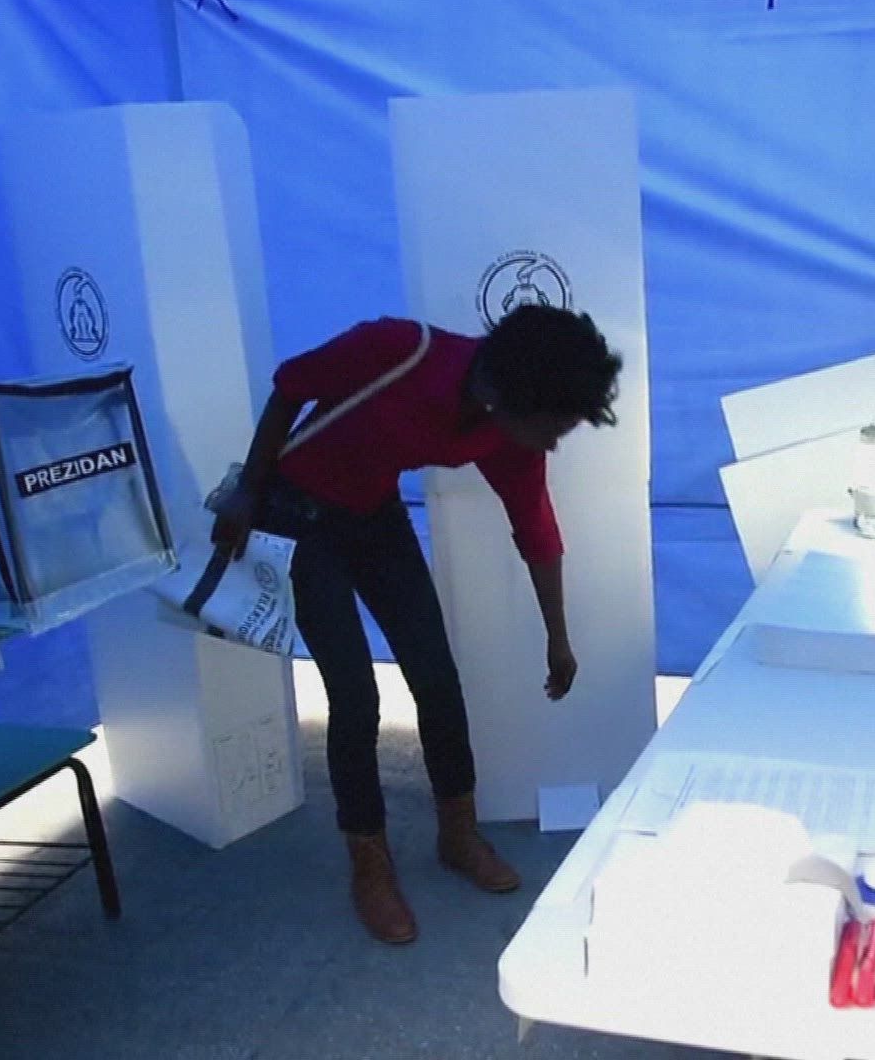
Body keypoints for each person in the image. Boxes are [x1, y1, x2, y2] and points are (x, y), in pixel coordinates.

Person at [211, 305, 622, 944]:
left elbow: (536, 529)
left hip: (375, 516)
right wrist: (248, 490)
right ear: (504, 392)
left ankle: (458, 835)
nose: (551, 444)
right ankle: (369, 862)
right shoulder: (397, 349)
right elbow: (291, 385)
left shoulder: (506, 431)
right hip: (300, 517)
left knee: (436, 677)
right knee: (355, 696)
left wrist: (558, 639)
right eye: (551, 426)